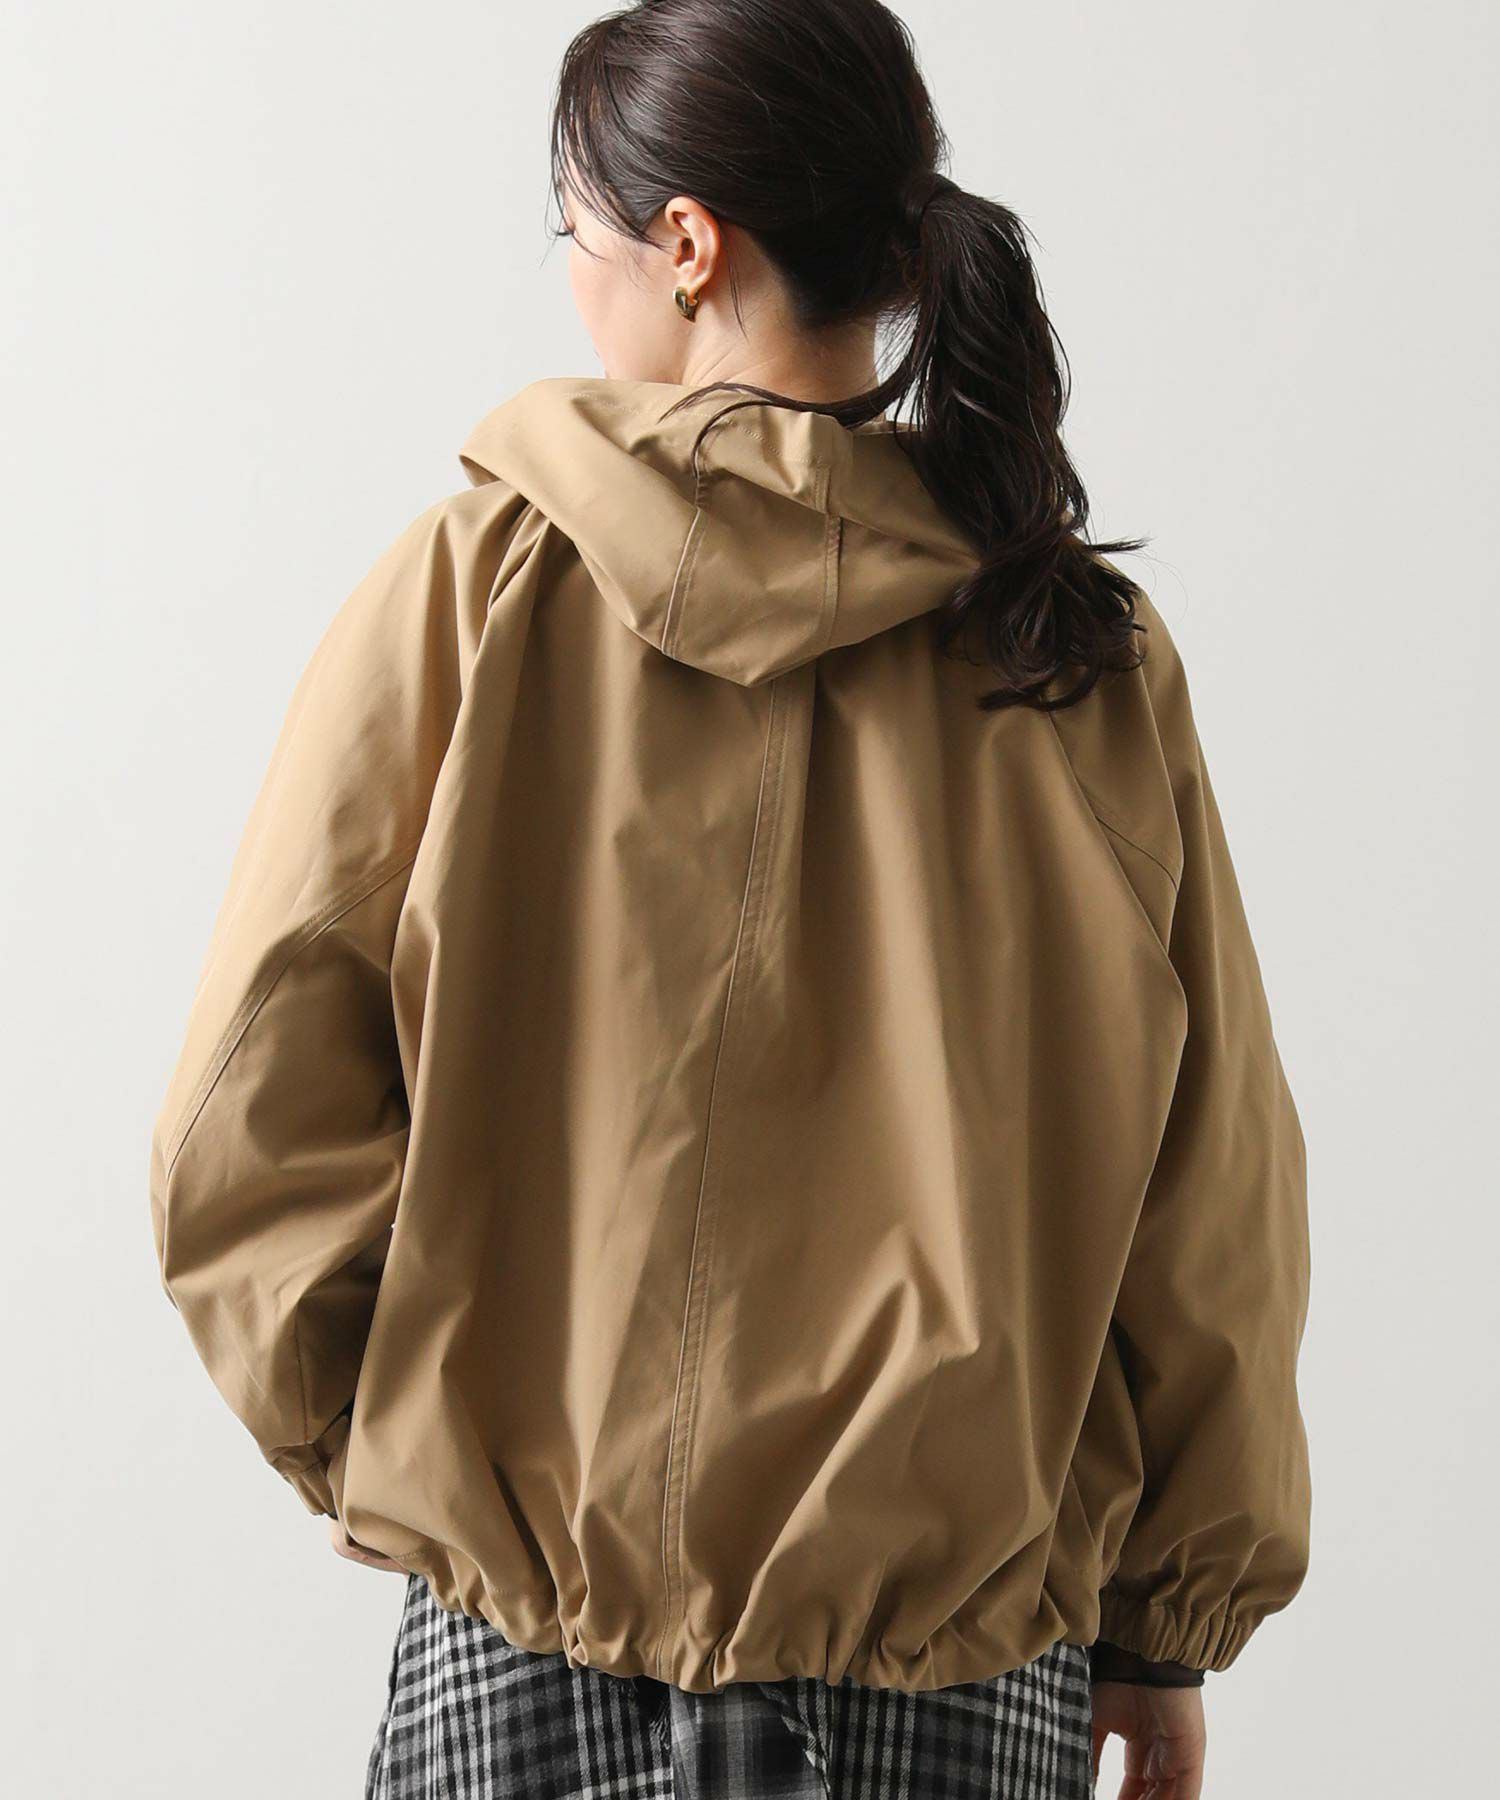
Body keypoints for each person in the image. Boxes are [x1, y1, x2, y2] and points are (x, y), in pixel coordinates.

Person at [147, 3, 1312, 1796]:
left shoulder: (473, 588)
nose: (572, 276)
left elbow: (242, 1108)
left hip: (526, 1648)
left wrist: (405, 1446)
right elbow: (1208, 1190)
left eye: (574, 229)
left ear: (687, 243)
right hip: (959, 1668)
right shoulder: (1073, 650)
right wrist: (1168, 1625)